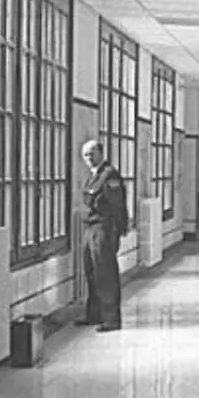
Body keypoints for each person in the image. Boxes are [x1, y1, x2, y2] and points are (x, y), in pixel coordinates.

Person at [78, 140, 129, 333]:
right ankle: (94, 314)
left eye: (92, 153)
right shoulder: (93, 176)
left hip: (104, 228)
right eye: (85, 155)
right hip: (91, 228)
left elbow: (117, 205)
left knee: (105, 274)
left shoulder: (109, 175)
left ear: (101, 153)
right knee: (91, 272)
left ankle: (111, 319)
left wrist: (119, 230)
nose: (89, 158)